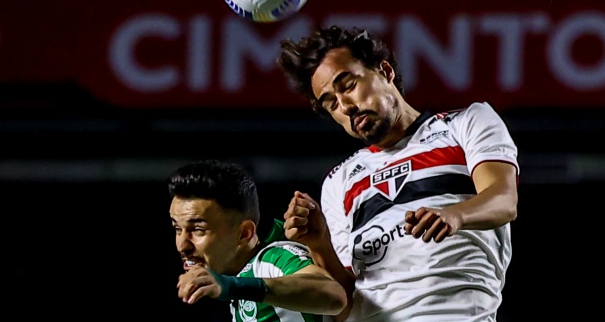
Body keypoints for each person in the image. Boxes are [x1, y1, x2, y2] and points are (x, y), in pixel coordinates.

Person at [276, 25, 520, 322]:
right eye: (331, 104)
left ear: (385, 71)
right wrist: (318, 243)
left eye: (348, 85)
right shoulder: (339, 181)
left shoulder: (466, 123)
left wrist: (456, 215)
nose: (346, 107)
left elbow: (503, 200)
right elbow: (342, 305)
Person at [169, 159, 347, 322]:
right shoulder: (241, 281)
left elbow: (333, 295)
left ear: (244, 233)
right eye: (178, 229)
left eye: (198, 230)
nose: (182, 245)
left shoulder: (273, 258)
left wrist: (231, 286)